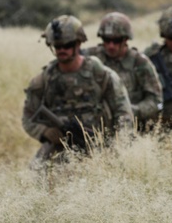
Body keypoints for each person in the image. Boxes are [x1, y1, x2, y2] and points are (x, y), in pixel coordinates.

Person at [22, 15, 133, 161]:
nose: (62, 50)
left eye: (67, 45)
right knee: (35, 173)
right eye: (57, 46)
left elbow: (123, 114)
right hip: (59, 150)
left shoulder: (101, 74)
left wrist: (118, 146)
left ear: (78, 44)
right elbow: (28, 118)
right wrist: (45, 131)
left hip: (99, 148)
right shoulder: (44, 80)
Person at [84, 12, 163, 131]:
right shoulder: (89, 58)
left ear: (126, 39)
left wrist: (132, 111)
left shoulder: (139, 63)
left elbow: (156, 100)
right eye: (107, 40)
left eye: (116, 41)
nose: (111, 46)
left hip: (130, 127)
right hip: (93, 127)